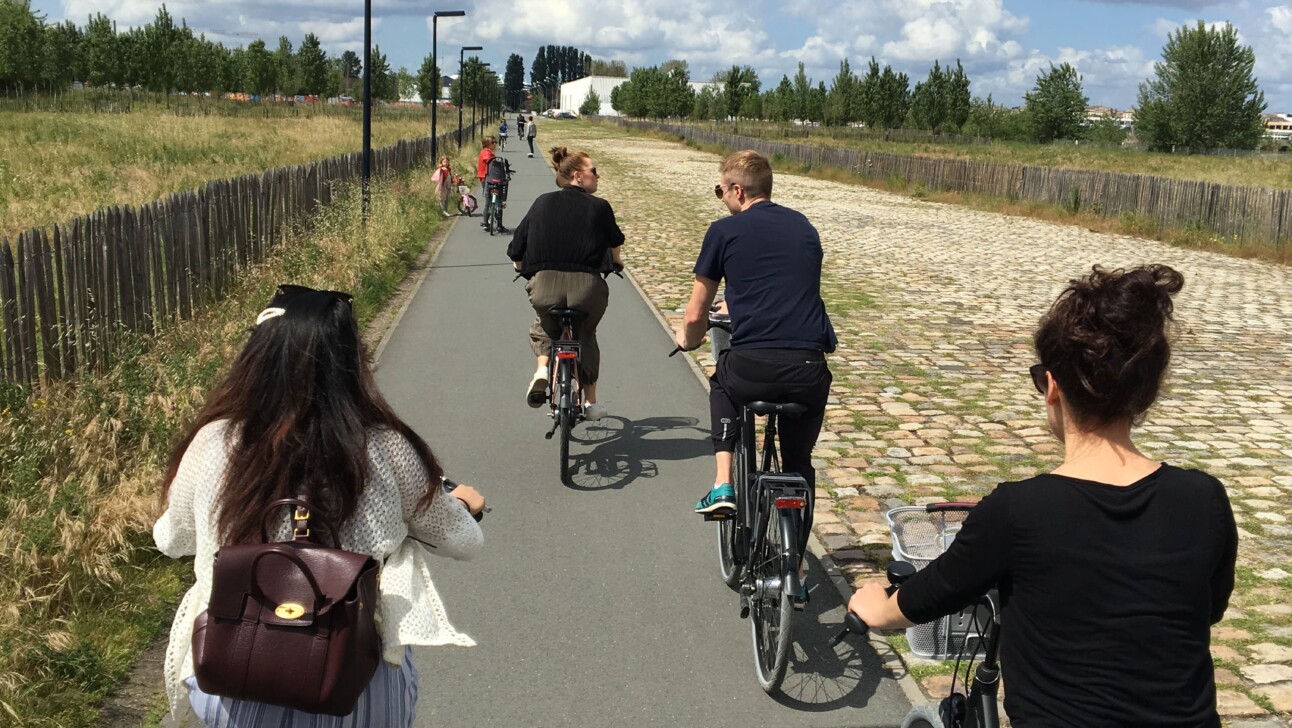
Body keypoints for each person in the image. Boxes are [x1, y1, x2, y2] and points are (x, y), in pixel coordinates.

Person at [848, 265, 1238, 727]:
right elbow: (1208, 608)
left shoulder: (1019, 510)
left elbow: (931, 595)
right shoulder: (1204, 498)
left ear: (1052, 387)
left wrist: (877, 606)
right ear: (1147, 392)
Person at [154, 284, 486, 727]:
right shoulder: (386, 448)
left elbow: (172, 540)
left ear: (256, 357)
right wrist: (459, 505)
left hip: (236, 672)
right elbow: (462, 541)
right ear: (351, 362)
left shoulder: (213, 442)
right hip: (352, 682)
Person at [676, 151, 835, 559]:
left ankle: (723, 484)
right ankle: (796, 567)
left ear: (738, 190)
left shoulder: (724, 231)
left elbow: (695, 314)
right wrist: (740, 302)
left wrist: (688, 339)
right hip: (808, 369)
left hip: (753, 368)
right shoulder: (804, 227)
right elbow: (784, 286)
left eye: (720, 191)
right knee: (799, 461)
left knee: (721, 381)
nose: (721, 199)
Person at [507, 146, 624, 421]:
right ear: (578, 176)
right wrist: (617, 262)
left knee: (544, 324)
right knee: (586, 333)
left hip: (544, 286)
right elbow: (615, 243)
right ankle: (591, 403)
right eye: (594, 171)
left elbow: (516, 249)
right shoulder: (600, 206)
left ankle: (542, 369)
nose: (598, 175)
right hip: (587, 289)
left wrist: (520, 267)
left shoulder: (541, 202)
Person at [476, 136, 496, 227]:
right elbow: (490, 161)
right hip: (487, 178)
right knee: (488, 200)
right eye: (493, 142)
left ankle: (487, 220)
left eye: (495, 142)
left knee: (489, 200)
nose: (495, 144)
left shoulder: (486, 151)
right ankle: (486, 221)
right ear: (487, 144)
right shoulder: (486, 153)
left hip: (485, 177)